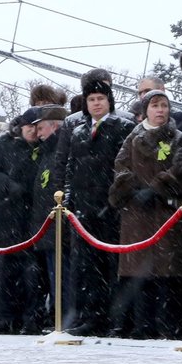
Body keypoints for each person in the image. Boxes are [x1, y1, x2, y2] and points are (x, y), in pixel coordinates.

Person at [108, 88, 182, 338]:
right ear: (145, 111)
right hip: (136, 214)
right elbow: (120, 166)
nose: (160, 111)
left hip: (165, 212)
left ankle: (169, 324)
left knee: (167, 272)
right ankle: (143, 325)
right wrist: (130, 188)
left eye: (164, 106)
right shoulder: (132, 138)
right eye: (155, 106)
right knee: (139, 273)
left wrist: (156, 188)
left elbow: (180, 169)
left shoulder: (179, 139)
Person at [60, 70, 134, 336]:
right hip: (83, 207)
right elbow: (70, 167)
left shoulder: (123, 127)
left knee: (113, 265)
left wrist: (117, 198)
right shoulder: (78, 131)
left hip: (111, 206)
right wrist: (69, 199)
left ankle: (117, 318)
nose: (96, 104)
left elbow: (126, 168)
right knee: (86, 266)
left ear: (109, 101)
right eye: (91, 99)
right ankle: (91, 315)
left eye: (101, 98)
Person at [0, 111, 45, 333]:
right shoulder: (4, 144)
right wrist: (8, 185)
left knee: (32, 273)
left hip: (32, 218)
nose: (33, 132)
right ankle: (6, 316)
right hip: (6, 215)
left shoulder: (42, 147)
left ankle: (31, 317)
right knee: (4, 272)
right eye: (29, 127)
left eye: (37, 128)